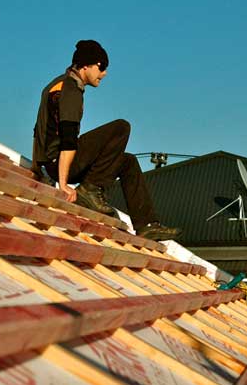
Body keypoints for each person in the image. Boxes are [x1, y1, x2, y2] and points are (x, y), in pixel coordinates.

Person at [31, 39, 180, 241]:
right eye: (101, 67)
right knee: (121, 127)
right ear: (86, 65)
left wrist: (36, 166)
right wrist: (63, 184)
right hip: (59, 164)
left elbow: (38, 131)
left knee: (127, 162)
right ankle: (90, 189)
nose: (104, 73)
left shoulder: (59, 84)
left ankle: (146, 225)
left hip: (53, 164)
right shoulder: (69, 92)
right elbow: (68, 141)